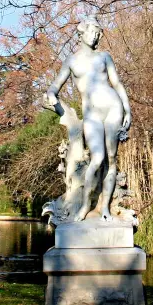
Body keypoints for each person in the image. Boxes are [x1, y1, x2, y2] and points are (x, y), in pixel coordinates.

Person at [45, 17, 131, 221]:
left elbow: (117, 83)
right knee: (97, 158)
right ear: (81, 33)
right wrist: (50, 94)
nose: (95, 36)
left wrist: (128, 110)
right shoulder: (72, 61)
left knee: (111, 159)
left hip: (113, 107)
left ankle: (105, 209)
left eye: (98, 33)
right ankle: (85, 205)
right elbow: (55, 86)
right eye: (92, 32)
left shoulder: (104, 57)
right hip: (91, 113)